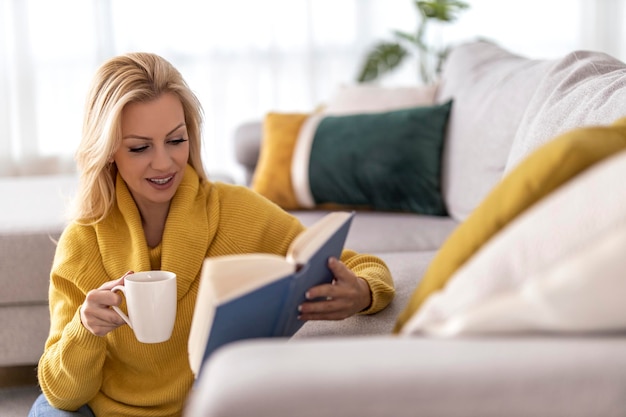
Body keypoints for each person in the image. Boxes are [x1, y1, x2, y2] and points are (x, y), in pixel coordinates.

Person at [28, 52, 395, 417]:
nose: (164, 162)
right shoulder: (83, 242)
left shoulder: (236, 211)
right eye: (140, 147)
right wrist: (85, 328)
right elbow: (63, 394)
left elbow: (363, 264)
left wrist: (363, 292)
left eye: (176, 140)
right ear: (108, 151)